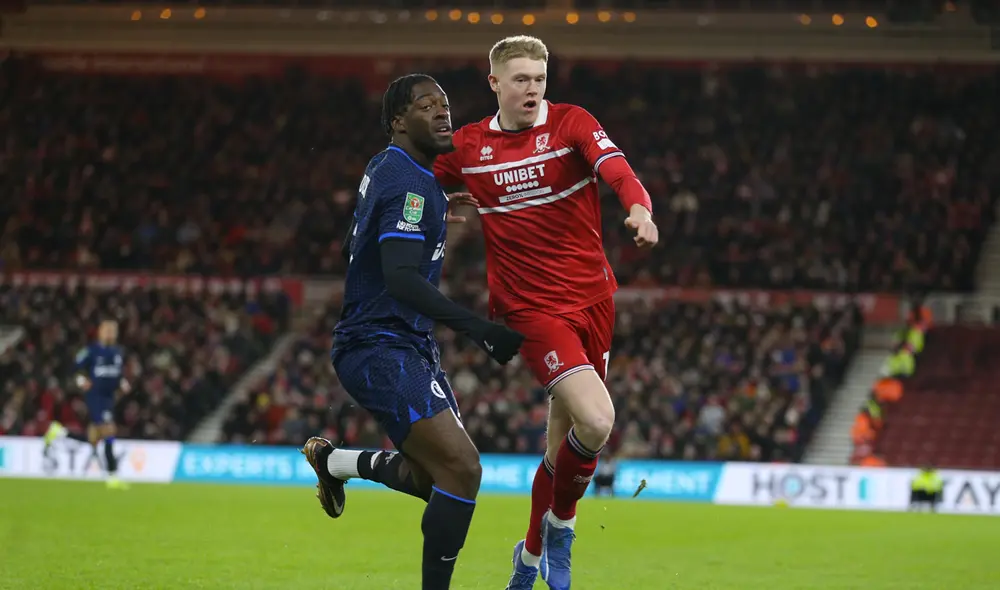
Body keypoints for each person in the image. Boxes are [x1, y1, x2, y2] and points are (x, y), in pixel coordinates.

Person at [432, 36, 659, 590]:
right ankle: (562, 527)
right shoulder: (467, 147)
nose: (532, 88)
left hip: (593, 300)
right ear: (495, 84)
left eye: (539, 78)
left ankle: (528, 560)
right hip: (529, 309)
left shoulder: (571, 125)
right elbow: (410, 184)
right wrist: (436, 201)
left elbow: (619, 171)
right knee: (598, 421)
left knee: (564, 445)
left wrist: (640, 210)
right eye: (520, 79)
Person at [300, 74, 525, 590]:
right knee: (464, 470)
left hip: (401, 345)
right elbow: (400, 279)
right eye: (427, 106)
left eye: (445, 104)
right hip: (380, 346)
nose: (443, 112)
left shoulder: (391, 168)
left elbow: (355, 249)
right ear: (398, 121)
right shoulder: (410, 182)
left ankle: (333, 462)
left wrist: (435, 207)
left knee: (435, 478)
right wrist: (479, 330)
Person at [44, 319, 131, 489]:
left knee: (93, 439)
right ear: (100, 332)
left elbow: (117, 374)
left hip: (109, 397)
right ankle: (112, 476)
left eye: (113, 331)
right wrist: (81, 380)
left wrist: (122, 383)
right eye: (107, 330)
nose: (110, 334)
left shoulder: (118, 352)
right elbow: (73, 369)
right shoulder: (91, 351)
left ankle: (59, 431)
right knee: (109, 430)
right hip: (96, 396)